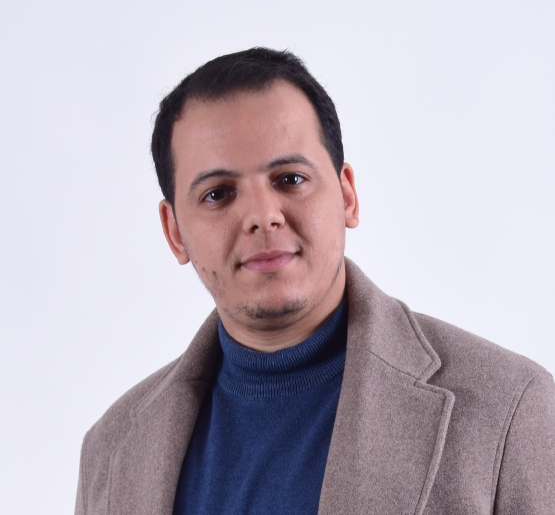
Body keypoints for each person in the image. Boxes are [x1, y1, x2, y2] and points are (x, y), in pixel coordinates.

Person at [75, 48, 555, 515]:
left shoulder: (510, 409)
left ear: (347, 196)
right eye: (218, 194)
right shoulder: (110, 450)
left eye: (290, 179)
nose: (263, 216)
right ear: (175, 232)